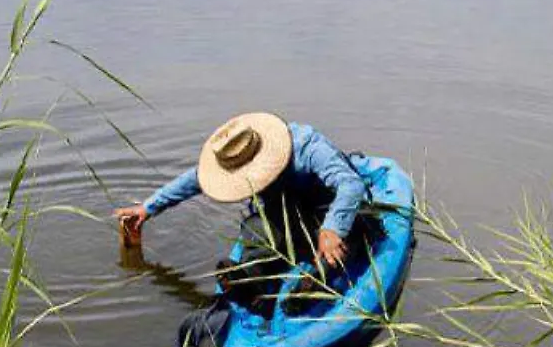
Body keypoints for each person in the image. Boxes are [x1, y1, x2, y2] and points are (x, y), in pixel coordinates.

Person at [114, 112, 370, 309]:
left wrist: (333, 227)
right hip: (282, 218)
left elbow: (350, 184)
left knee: (346, 242)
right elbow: (193, 181)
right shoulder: (231, 158)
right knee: (256, 229)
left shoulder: (307, 146)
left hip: (325, 211)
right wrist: (148, 208)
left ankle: (313, 284)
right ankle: (248, 282)